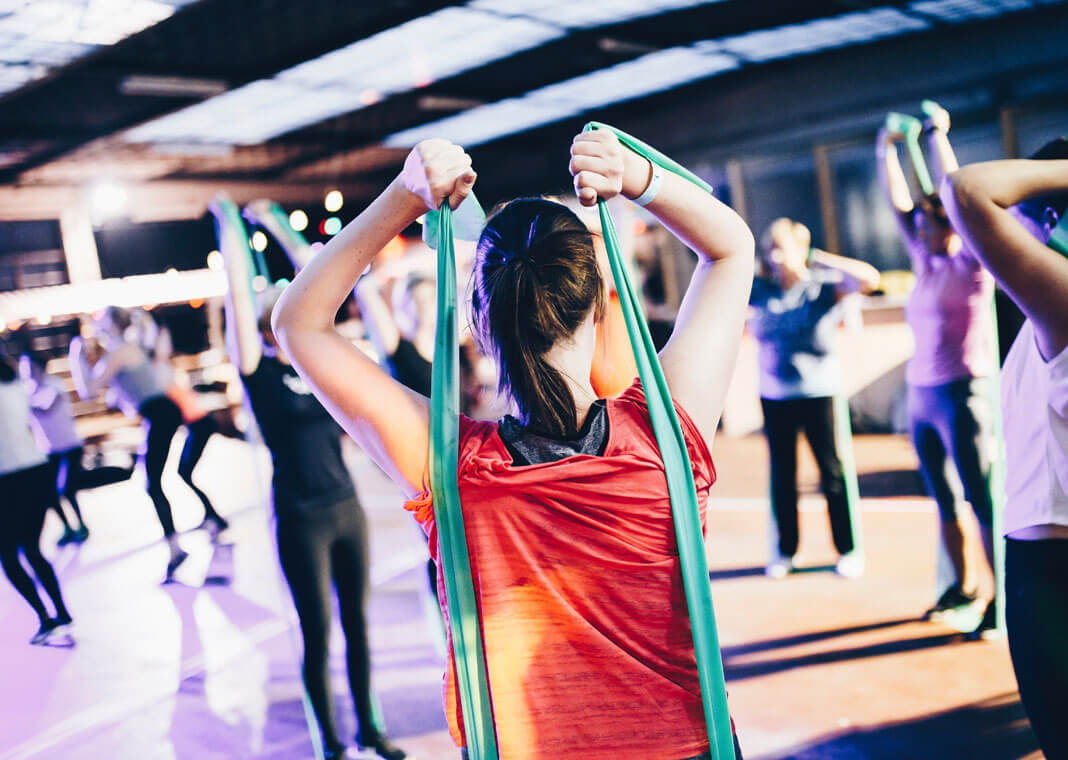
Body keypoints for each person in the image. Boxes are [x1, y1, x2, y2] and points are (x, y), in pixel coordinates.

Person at [272, 128, 754, 759]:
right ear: (597, 307)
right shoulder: (664, 435)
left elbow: (297, 322)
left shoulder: (451, 468)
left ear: (482, 324)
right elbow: (730, 249)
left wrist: (405, 196)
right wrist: (638, 177)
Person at [210, 196, 406, 760]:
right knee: (317, 635)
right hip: (299, 517)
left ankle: (370, 729)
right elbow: (240, 314)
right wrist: (231, 232)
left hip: (346, 507)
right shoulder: (260, 379)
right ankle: (331, 743)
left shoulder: (319, 368)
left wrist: (275, 223)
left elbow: (326, 281)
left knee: (359, 627)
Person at [941, 138, 1068, 760]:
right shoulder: (1043, 308)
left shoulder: (1063, 301)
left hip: (1056, 575)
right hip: (1041, 563)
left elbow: (967, 191)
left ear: (1048, 216)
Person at [877, 106, 998, 630]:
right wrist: (885, 147)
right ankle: (963, 585)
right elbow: (898, 202)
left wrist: (935, 136)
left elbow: (956, 191)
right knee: (945, 500)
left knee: (981, 500)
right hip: (922, 396)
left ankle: (1001, 598)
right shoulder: (924, 264)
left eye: (927, 224)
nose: (917, 232)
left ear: (947, 224)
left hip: (962, 394)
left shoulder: (973, 264)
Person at [749, 217, 880, 579]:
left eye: (781, 247)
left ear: (800, 249)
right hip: (774, 395)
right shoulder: (760, 290)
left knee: (832, 472)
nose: (774, 256)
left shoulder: (822, 286)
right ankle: (786, 551)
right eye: (769, 249)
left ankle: (848, 549)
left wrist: (820, 258)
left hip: (819, 392)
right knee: (783, 476)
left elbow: (870, 280)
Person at [69, 306, 228, 578]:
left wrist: (76, 354)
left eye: (101, 321)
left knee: (153, 483)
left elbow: (88, 390)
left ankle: (177, 549)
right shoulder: (122, 350)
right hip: (159, 414)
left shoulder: (119, 351)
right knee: (154, 482)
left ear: (113, 324)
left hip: (161, 413)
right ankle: (182, 542)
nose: (96, 326)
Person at [0, 350, 74, 644]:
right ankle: (61, 612)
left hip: (7, 478)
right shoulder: (18, 386)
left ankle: (45, 618)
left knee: (8, 556)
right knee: (32, 549)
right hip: (36, 471)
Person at [19, 352, 90, 545]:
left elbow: (46, 408)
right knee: (49, 494)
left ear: (39, 367)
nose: (26, 371)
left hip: (70, 445)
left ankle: (82, 526)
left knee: (66, 489)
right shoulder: (25, 391)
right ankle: (67, 527)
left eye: (29, 366)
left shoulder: (55, 385)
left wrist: (19, 407)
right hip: (48, 450)